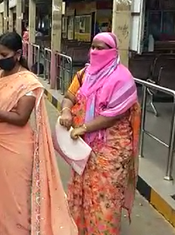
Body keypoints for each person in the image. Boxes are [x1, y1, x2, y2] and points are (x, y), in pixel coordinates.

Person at [0, 32, 77, 235]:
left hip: (15, 149)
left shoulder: (28, 82)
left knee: (15, 203)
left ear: (17, 54)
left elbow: (20, 118)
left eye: (4, 55)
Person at [59, 32, 141, 235]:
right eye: (92, 47)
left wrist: (84, 128)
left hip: (111, 151)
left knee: (105, 199)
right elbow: (69, 95)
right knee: (83, 193)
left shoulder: (122, 78)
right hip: (84, 148)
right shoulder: (85, 74)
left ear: (112, 51)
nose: (94, 52)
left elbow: (113, 115)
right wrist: (66, 110)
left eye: (100, 48)